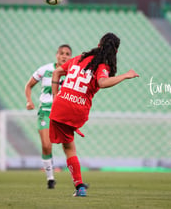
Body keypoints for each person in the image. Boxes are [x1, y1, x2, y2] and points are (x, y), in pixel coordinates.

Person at [49, 33, 139, 197]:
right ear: (116, 52)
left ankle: (79, 185)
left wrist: (56, 97)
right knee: (70, 147)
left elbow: (56, 73)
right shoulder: (103, 66)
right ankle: (79, 186)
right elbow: (102, 82)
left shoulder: (78, 58)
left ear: (98, 44)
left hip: (61, 106)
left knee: (68, 148)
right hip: (78, 110)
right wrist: (126, 75)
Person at [25, 44, 72, 189]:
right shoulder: (45, 70)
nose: (64, 56)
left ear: (70, 57)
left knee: (68, 147)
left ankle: (77, 181)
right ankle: (50, 178)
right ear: (57, 55)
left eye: (67, 54)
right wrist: (29, 101)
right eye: (62, 53)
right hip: (46, 112)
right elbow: (28, 85)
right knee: (46, 146)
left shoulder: (72, 72)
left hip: (63, 114)